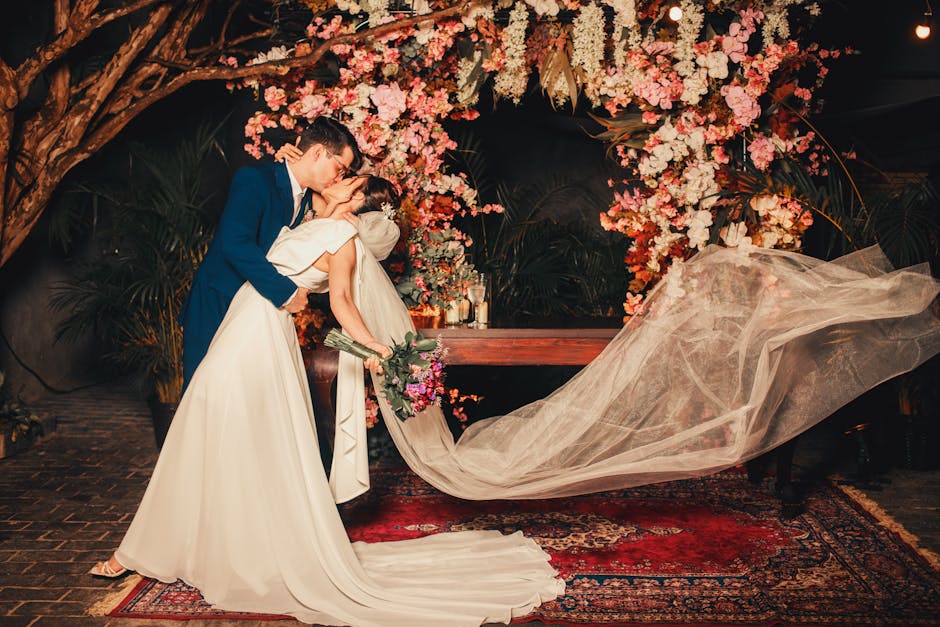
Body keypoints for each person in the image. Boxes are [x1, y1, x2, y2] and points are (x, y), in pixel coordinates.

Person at [90, 175, 565, 627]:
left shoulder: (341, 236)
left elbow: (341, 302)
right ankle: (196, 542)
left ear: (356, 201)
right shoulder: (308, 220)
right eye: (343, 174)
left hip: (257, 336)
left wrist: (378, 347)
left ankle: (152, 549)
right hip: (242, 328)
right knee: (211, 426)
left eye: (348, 180)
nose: (337, 179)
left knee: (206, 421)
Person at [179, 116, 364, 389]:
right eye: (340, 168)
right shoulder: (256, 179)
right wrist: (286, 293)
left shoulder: (305, 201)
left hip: (256, 316)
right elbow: (235, 243)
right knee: (202, 399)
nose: (341, 177)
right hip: (219, 303)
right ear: (317, 152)